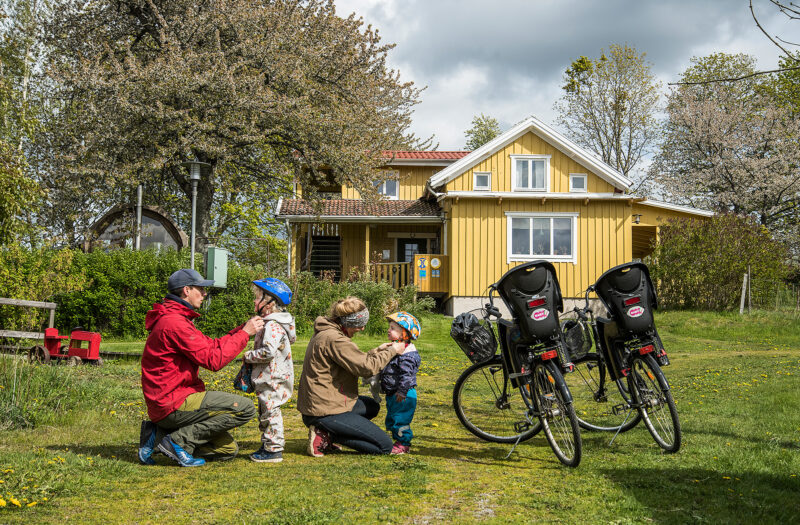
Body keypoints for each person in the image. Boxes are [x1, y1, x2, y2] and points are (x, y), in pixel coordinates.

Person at [137, 268, 263, 467]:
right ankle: (178, 441)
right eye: (201, 289)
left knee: (227, 450)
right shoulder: (174, 323)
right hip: (173, 401)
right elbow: (214, 360)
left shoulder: (176, 318)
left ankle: (158, 435)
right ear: (186, 290)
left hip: (167, 399)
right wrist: (245, 335)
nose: (204, 294)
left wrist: (241, 330)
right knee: (245, 409)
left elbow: (210, 346)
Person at [297, 296, 404, 456]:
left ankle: (326, 432)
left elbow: (352, 361)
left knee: (372, 406)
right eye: (359, 325)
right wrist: (393, 351)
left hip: (323, 404)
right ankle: (326, 434)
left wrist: (376, 351)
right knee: (385, 447)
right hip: (323, 411)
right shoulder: (334, 339)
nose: (362, 329)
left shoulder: (328, 332)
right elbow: (367, 368)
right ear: (348, 323)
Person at [245, 278, 296, 463]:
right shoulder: (270, 323)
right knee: (266, 411)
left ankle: (274, 450)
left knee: (271, 411)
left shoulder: (273, 326)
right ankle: (268, 443)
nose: (254, 301)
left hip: (272, 377)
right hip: (267, 376)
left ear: (269, 303)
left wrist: (248, 356)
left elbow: (268, 352)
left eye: (257, 298)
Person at [380, 312, 422, 455]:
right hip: (393, 393)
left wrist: (402, 391)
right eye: (389, 327)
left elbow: (407, 376)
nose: (388, 330)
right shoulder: (395, 350)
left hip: (403, 394)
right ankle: (397, 441)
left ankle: (403, 444)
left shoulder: (407, 355)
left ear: (405, 333)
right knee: (392, 418)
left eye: (393, 328)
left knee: (400, 420)